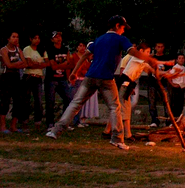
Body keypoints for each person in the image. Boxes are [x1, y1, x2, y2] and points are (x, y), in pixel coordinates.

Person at [46, 15, 159, 151]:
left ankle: (55, 131)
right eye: (123, 27)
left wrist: (74, 72)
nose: (124, 30)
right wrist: (151, 59)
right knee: (115, 107)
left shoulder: (99, 39)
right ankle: (117, 139)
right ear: (117, 26)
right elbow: (133, 52)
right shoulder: (120, 39)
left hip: (90, 77)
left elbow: (85, 56)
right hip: (106, 78)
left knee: (75, 103)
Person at [104, 43, 155, 141]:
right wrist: (166, 62)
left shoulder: (142, 62)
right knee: (125, 108)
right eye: (147, 52)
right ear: (141, 51)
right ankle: (127, 134)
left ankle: (107, 131)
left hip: (128, 84)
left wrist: (168, 74)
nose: (148, 54)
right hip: (124, 84)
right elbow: (150, 62)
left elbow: (151, 70)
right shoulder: (137, 58)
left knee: (118, 108)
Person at [44, 31, 73, 130]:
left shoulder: (65, 49)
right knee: (50, 101)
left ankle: (64, 122)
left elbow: (69, 64)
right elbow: (53, 66)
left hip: (62, 78)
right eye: (56, 37)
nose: (58, 38)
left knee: (69, 99)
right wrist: (63, 65)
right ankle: (50, 123)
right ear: (52, 39)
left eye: (60, 36)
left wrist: (67, 73)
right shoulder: (50, 50)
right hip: (51, 79)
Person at [0, 32, 27, 133]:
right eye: (13, 37)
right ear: (8, 38)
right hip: (6, 77)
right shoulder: (4, 50)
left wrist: (16, 64)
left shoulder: (18, 50)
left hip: (16, 77)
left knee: (18, 101)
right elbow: (8, 65)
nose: (16, 39)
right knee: (5, 101)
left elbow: (25, 63)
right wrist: (18, 64)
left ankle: (13, 125)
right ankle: (2, 126)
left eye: (17, 37)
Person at [22, 34, 49, 127]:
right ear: (31, 39)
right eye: (35, 38)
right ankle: (24, 119)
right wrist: (39, 64)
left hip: (38, 76)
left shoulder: (42, 50)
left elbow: (47, 63)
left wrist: (37, 64)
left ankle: (38, 120)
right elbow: (28, 63)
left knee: (38, 100)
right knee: (26, 99)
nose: (37, 40)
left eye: (38, 38)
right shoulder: (27, 49)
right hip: (29, 76)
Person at [147, 41, 175, 127]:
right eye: (158, 47)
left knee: (167, 101)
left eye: (161, 47)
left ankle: (168, 121)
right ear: (155, 48)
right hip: (153, 82)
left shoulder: (166, 58)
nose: (160, 48)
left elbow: (170, 70)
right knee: (152, 102)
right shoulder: (152, 58)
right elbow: (149, 70)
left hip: (164, 83)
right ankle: (154, 120)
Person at [76, 41, 98, 127]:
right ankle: (79, 119)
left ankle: (84, 118)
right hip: (82, 80)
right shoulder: (82, 58)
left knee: (89, 101)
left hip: (91, 80)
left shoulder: (93, 59)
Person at [166, 54, 185, 122]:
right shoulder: (175, 67)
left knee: (180, 105)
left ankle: (178, 120)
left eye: (182, 58)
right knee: (174, 104)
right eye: (179, 58)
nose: (181, 60)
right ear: (177, 60)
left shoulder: (184, 67)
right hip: (176, 88)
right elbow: (168, 76)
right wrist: (172, 84)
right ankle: (171, 121)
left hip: (182, 88)